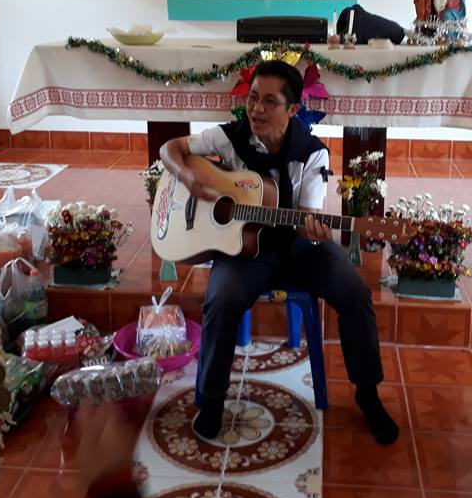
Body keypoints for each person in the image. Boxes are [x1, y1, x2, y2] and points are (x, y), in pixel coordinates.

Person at [159, 61, 400, 446]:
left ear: (292, 109)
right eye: (253, 98)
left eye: (269, 102)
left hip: (299, 248)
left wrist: (312, 229)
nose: (256, 109)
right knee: (221, 300)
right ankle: (212, 400)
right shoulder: (228, 137)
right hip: (244, 249)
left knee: (355, 293)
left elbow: (305, 220)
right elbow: (170, 148)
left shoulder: (312, 154)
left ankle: (367, 393)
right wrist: (188, 176)